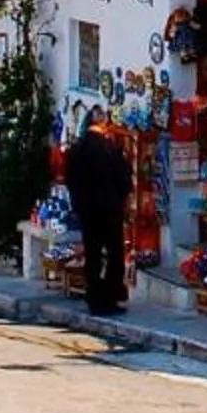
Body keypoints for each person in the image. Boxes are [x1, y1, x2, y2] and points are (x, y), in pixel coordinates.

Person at [65, 108, 131, 315]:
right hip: (109, 209)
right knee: (113, 253)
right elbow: (124, 179)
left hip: (87, 210)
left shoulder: (76, 149)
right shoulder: (109, 148)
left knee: (92, 252)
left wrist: (79, 203)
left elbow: (70, 180)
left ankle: (94, 296)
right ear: (103, 124)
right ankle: (110, 297)